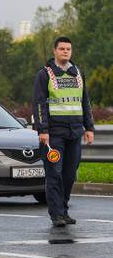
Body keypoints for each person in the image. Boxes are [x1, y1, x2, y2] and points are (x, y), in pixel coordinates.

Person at [32, 36, 94, 227]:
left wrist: (89, 127)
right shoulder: (45, 75)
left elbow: (85, 102)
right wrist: (42, 130)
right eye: (62, 49)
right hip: (53, 134)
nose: (65, 52)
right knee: (54, 174)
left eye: (68, 49)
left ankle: (64, 210)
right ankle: (56, 214)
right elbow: (39, 104)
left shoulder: (77, 74)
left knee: (69, 175)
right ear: (55, 51)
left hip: (74, 133)